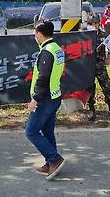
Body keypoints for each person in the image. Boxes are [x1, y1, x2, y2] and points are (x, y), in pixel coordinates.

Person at [26, 20, 66, 180]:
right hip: (54, 96)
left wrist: (35, 99)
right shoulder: (57, 49)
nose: (34, 36)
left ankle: (55, 159)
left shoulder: (46, 52)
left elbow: (43, 77)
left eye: (35, 33)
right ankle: (51, 163)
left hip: (45, 99)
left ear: (40, 34)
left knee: (31, 132)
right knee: (47, 132)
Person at [86, 16, 110, 121]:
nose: (93, 26)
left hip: (100, 66)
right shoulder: (85, 36)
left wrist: (109, 57)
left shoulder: (103, 35)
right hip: (88, 67)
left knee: (107, 87)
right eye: (90, 24)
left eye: (95, 23)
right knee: (90, 90)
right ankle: (91, 110)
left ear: (98, 24)